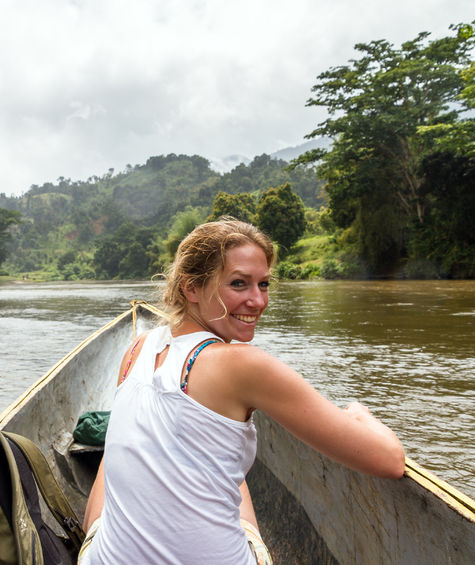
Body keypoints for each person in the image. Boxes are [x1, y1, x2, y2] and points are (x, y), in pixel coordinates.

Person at [78, 218, 405, 565]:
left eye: (263, 284)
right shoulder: (244, 365)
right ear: (191, 289)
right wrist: (359, 415)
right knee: (231, 469)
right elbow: (388, 460)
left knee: (113, 457)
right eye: (239, 284)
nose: (258, 301)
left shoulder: (137, 349)